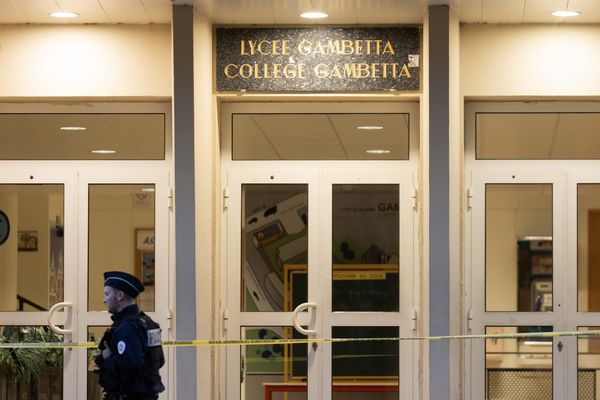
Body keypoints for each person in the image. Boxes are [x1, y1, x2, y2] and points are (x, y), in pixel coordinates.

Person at [95, 271, 165, 400]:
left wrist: (109, 358)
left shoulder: (127, 328)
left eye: (107, 294)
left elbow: (129, 368)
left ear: (120, 295)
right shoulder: (147, 323)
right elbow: (159, 361)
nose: (103, 300)